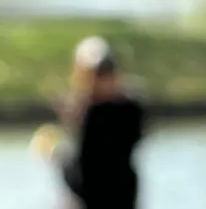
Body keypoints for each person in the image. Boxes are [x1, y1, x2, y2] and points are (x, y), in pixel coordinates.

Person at [59, 37, 145, 209]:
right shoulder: (128, 108)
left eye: (106, 72)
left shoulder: (101, 113)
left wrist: (57, 157)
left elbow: (83, 178)